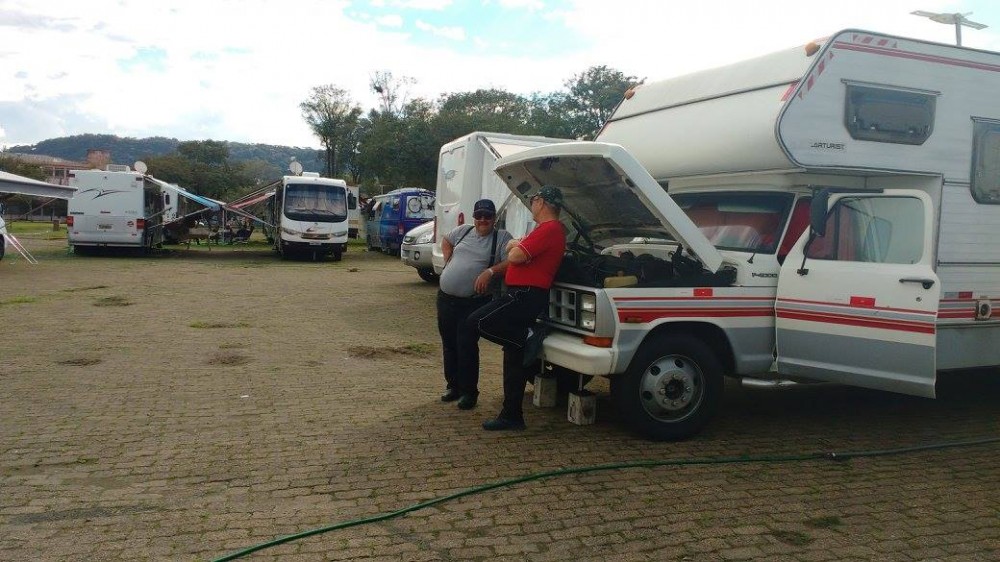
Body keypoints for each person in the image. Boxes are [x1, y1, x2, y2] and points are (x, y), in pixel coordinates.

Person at [470, 186, 566, 431]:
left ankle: (528, 336)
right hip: (521, 293)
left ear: (541, 202)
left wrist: (517, 246)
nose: (531, 204)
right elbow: (511, 249)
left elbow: (514, 256)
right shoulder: (543, 230)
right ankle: (512, 415)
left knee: (477, 322)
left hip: (526, 294)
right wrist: (517, 245)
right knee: (513, 354)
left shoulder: (550, 228)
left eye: (533, 200)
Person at [436, 199, 513, 410]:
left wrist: (490, 271)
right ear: (474, 217)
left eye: (487, 216)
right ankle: (453, 386)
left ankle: (469, 392)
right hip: (446, 298)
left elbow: (511, 261)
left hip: (473, 302)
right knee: (449, 343)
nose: (482, 220)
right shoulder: (463, 231)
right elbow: (446, 240)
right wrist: (448, 260)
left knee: (466, 345)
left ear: (494, 218)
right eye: (479, 215)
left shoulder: (501, 237)